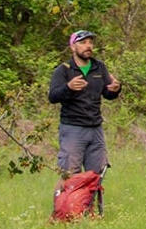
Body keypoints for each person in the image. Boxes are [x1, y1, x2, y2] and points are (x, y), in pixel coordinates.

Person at [47, 29, 122, 182]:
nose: (88, 46)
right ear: (73, 47)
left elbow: (108, 94)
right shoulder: (64, 70)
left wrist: (115, 89)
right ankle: (63, 205)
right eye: (82, 43)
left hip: (96, 128)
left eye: (90, 42)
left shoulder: (99, 67)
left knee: (97, 175)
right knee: (69, 175)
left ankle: (89, 206)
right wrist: (68, 87)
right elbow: (52, 96)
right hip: (73, 128)